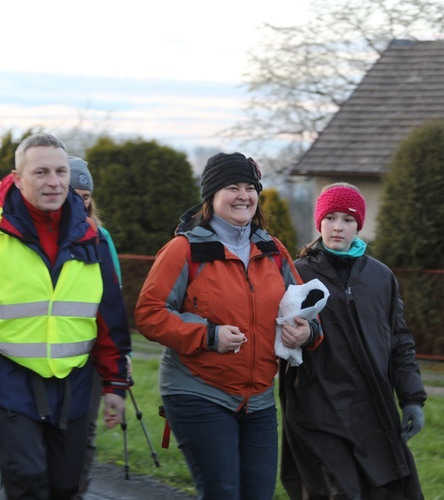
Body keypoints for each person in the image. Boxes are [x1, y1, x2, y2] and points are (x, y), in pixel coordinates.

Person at [0, 133, 131, 500]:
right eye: (41, 172)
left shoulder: (92, 238)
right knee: (28, 482)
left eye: (60, 171)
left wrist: (115, 384)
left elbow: (109, 320)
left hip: (73, 388)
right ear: (19, 177)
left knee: (66, 487)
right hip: (9, 386)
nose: (54, 182)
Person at [135, 152, 322, 499]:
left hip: (259, 399)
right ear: (211, 196)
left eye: (250, 187)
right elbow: (149, 313)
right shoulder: (183, 250)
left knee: (259, 494)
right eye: (232, 187)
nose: (243, 195)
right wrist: (207, 335)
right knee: (222, 492)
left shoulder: (273, 250)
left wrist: (307, 333)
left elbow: (308, 311)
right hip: (197, 390)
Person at [280, 183, 426, 499]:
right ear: (318, 222)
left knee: (389, 490)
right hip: (318, 409)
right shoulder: (297, 274)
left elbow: (399, 341)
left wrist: (412, 397)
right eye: (330, 217)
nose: (338, 227)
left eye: (347, 219)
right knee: (340, 492)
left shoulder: (381, 277)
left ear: (358, 224)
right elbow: (279, 336)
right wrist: (300, 337)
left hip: (373, 408)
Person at [67, 156, 124, 499]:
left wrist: (119, 359)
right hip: (47, 353)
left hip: (90, 353)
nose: (80, 202)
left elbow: (113, 301)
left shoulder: (101, 238)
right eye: (75, 193)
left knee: (84, 434)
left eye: (86, 195)